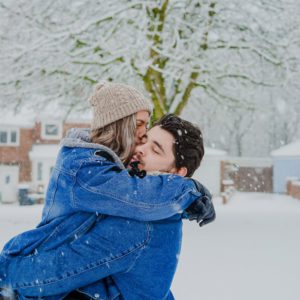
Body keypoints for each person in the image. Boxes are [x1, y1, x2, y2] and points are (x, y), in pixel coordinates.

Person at [0, 82, 215, 299]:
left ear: (178, 173)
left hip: (31, 267)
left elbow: (63, 269)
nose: (140, 146)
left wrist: (7, 276)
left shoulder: (139, 221)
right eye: (143, 134)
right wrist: (191, 192)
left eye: (155, 150)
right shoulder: (101, 177)